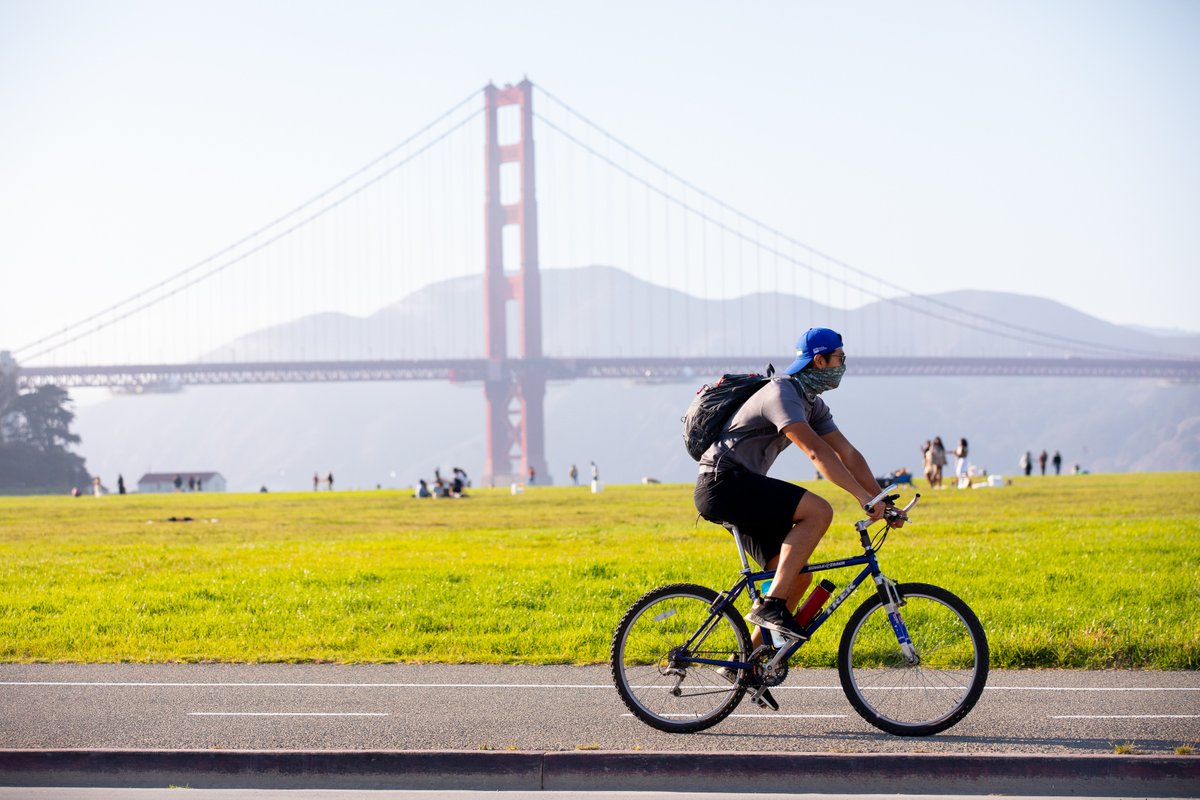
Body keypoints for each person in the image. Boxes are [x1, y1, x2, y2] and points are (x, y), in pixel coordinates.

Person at [694, 327, 897, 702]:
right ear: (819, 361)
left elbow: (848, 454)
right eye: (840, 359)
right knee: (819, 511)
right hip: (723, 483)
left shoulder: (812, 403)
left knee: (795, 577)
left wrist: (880, 498)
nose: (843, 366)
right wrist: (860, 498)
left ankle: (744, 663)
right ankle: (770, 608)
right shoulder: (782, 393)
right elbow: (819, 455)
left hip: (739, 486)